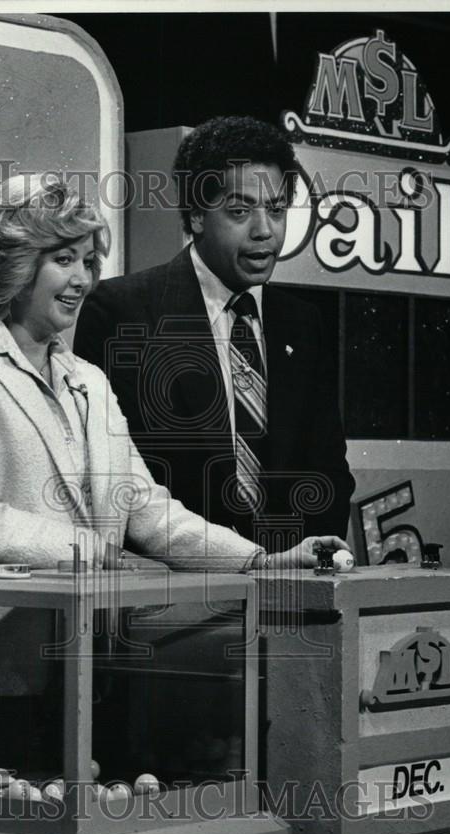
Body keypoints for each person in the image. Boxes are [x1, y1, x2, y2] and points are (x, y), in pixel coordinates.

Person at [0, 174, 350, 714]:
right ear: (17, 266)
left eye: (88, 261)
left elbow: (143, 506)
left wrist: (260, 562)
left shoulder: (87, 380)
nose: (82, 280)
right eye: (63, 259)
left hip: (78, 672)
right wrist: (101, 556)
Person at [74, 116, 355, 551]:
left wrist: (301, 568)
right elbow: (116, 478)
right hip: (173, 590)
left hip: (292, 588)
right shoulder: (121, 310)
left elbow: (329, 472)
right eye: (240, 211)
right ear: (197, 215)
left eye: (277, 210)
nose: (265, 230)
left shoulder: (304, 323)